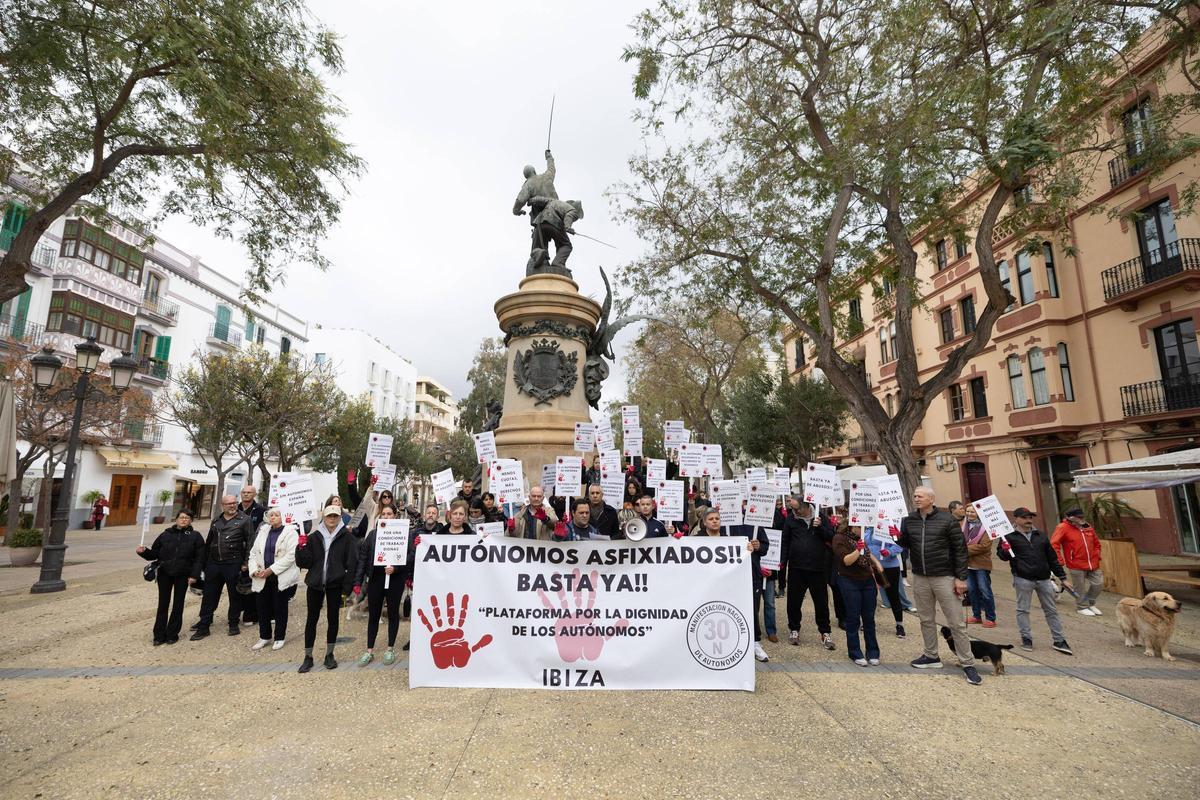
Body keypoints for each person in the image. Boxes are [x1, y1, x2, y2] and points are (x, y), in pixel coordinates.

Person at [898, 487, 981, 685]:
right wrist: (896, 536)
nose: (916, 498)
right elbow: (905, 544)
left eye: (920, 495)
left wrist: (961, 578)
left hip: (945, 576)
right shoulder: (909, 520)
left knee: (956, 622)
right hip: (920, 576)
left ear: (931, 499)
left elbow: (960, 551)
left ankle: (967, 662)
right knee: (926, 619)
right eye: (915, 495)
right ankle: (931, 655)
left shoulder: (947, 520)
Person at [999, 507, 1073, 654]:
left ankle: (1059, 640)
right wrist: (1005, 549)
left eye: (1030, 518)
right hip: (1023, 578)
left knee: (1051, 610)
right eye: (1025, 518)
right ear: (1017, 519)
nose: (1028, 520)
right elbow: (1003, 556)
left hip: (1044, 579)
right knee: (1023, 610)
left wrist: (1062, 578)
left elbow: (1052, 558)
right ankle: (1026, 638)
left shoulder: (1041, 536)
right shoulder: (1009, 536)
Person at [295, 506, 359, 672]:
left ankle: (329, 654)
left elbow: (352, 563)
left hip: (335, 585)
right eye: (329, 516)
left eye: (335, 516)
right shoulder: (314, 537)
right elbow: (304, 563)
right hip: (315, 584)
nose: (332, 519)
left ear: (339, 518)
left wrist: (347, 587)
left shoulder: (347, 538)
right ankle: (308, 656)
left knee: (333, 619)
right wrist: (300, 548)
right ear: (323, 517)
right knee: (312, 619)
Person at [190, 495, 254, 641]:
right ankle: (204, 625)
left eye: (234, 503)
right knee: (209, 596)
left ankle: (233, 623)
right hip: (214, 564)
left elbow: (250, 542)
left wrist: (246, 563)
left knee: (235, 595)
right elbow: (209, 541)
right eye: (229, 504)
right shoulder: (216, 520)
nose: (232, 506)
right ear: (222, 505)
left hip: (233, 563)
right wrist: (204, 564)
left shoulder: (245, 520)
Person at [136, 510, 205, 645]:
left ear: (191, 520)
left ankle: (172, 634)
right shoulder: (165, 534)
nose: (184, 520)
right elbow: (154, 553)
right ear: (176, 519)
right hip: (165, 573)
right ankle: (158, 635)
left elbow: (199, 559)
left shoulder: (196, 536)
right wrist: (144, 552)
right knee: (163, 604)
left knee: (178, 604)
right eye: (181, 517)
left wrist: (194, 575)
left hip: (183, 574)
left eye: (187, 518)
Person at [779, 500, 837, 651]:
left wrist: (821, 527)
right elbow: (785, 540)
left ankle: (825, 632)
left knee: (821, 602)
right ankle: (794, 629)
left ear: (806, 506)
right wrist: (782, 561)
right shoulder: (791, 519)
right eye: (792, 509)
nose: (794, 512)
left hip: (817, 568)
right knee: (794, 601)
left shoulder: (821, 517)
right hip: (796, 568)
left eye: (797, 509)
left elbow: (831, 537)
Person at [352, 505, 405, 666]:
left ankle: (390, 648)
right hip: (376, 579)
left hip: (395, 580)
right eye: (384, 514)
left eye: (389, 514)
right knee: (374, 614)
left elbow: (409, 556)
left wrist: (396, 568)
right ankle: (369, 650)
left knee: (393, 613)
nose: (386, 517)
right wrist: (358, 581)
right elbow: (363, 558)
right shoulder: (373, 535)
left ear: (395, 516)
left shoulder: (403, 534)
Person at [247, 507, 300, 651]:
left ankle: (279, 637)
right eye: (271, 515)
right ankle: (264, 636)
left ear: (282, 517)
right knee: (262, 607)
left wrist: (271, 570)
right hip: (262, 575)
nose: (273, 518)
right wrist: (254, 570)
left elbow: (291, 555)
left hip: (279, 575)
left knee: (280, 607)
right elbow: (253, 553)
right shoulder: (263, 531)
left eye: (276, 515)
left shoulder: (290, 532)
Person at [832, 522, 883, 666]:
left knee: (869, 618)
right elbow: (846, 561)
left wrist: (877, 563)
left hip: (866, 580)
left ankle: (873, 652)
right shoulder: (839, 538)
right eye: (861, 527)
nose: (863, 530)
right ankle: (855, 652)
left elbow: (867, 552)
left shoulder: (858, 539)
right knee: (853, 617)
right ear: (852, 526)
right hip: (848, 580)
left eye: (865, 527)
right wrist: (857, 550)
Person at [729, 518, 770, 663]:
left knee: (752, 609)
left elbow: (765, 547)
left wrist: (759, 546)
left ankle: (754, 642)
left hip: (751, 574)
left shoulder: (754, 522)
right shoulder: (723, 521)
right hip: (729, 576)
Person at [1051, 508, 1104, 617]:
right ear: (1070, 518)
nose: (1082, 519)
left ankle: (1089, 603)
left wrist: (1097, 555)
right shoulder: (1062, 527)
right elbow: (1054, 544)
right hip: (1075, 564)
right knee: (1080, 588)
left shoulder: (1087, 526)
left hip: (1092, 563)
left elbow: (1097, 543)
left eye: (1082, 516)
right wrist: (1059, 559)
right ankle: (1082, 607)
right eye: (1079, 517)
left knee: (1098, 584)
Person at [866, 525, 907, 639]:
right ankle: (868, 622)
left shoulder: (889, 527)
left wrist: (889, 551)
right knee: (869, 595)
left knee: (893, 595)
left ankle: (899, 625)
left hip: (888, 567)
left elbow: (899, 546)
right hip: (870, 567)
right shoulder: (868, 528)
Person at [962, 503, 997, 627]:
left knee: (985, 591)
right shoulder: (964, 525)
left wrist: (963, 549)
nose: (970, 514)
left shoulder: (986, 527)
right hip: (968, 564)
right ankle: (976, 615)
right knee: (972, 591)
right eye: (968, 511)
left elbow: (984, 546)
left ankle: (991, 617)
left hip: (981, 564)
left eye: (973, 512)